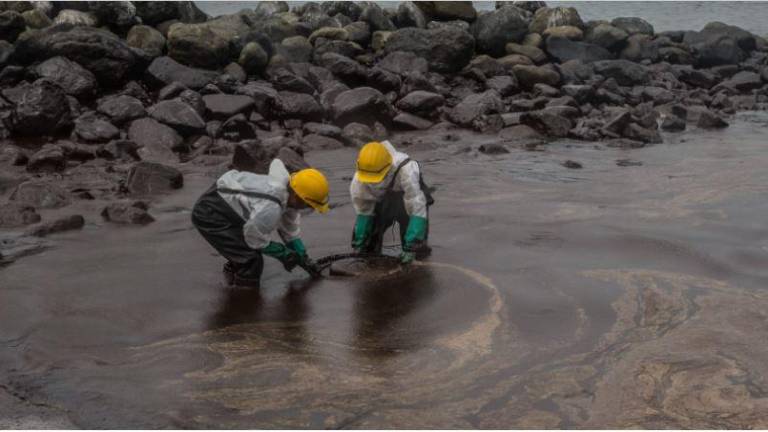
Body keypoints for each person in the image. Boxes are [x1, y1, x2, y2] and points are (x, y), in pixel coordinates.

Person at [192, 159, 330, 287]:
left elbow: (289, 228)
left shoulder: (288, 192)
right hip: (210, 213)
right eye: (309, 205)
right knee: (251, 260)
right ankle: (243, 297)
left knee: (243, 250)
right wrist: (282, 253)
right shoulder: (271, 206)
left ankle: (231, 275)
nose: (309, 209)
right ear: (298, 197)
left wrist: (301, 255)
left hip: (227, 203)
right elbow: (254, 239)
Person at [349, 140, 434, 264]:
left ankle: (417, 258)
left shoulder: (407, 169)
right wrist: (359, 243)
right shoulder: (359, 179)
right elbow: (364, 211)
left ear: (388, 167)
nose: (373, 182)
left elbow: (417, 208)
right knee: (369, 243)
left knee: (416, 249)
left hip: (407, 195)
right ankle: (368, 254)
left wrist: (411, 246)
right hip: (382, 197)